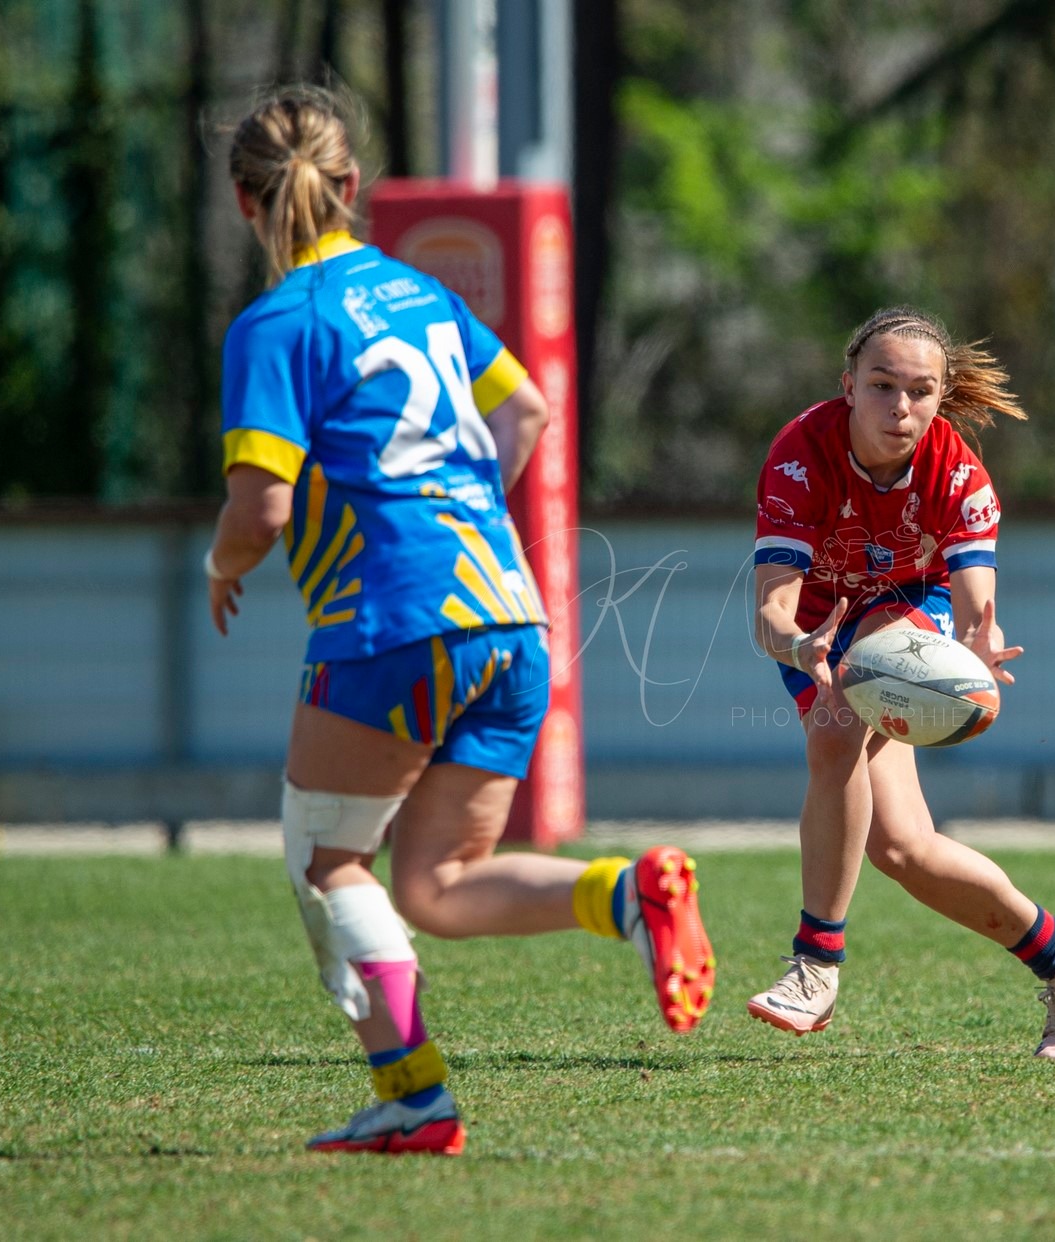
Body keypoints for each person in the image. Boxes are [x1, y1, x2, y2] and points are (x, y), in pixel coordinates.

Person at [203, 87, 716, 1156]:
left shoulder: (276, 323)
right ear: (353, 191)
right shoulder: (420, 294)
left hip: (391, 618)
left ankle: (415, 1097)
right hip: (508, 613)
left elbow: (261, 508)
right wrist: (466, 514)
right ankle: (628, 894)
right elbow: (525, 407)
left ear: (245, 204)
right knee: (434, 882)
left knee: (327, 862)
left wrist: (221, 563)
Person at [744, 306, 1055, 1061]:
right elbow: (769, 610)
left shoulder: (958, 472)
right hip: (818, 623)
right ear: (846, 385)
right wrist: (798, 644)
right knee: (904, 851)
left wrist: (981, 637)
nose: (899, 406)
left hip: (909, 611)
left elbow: (975, 593)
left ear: (940, 399)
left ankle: (815, 963)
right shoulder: (798, 455)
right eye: (880, 385)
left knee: (839, 718)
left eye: (919, 391)